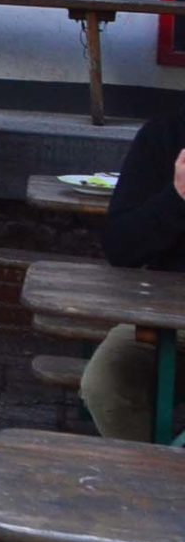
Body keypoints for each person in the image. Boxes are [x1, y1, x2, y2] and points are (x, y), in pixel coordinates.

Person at [85, 107, 185, 442]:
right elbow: (121, 246)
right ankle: (150, 475)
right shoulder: (167, 132)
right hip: (171, 322)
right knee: (107, 382)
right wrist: (177, 197)